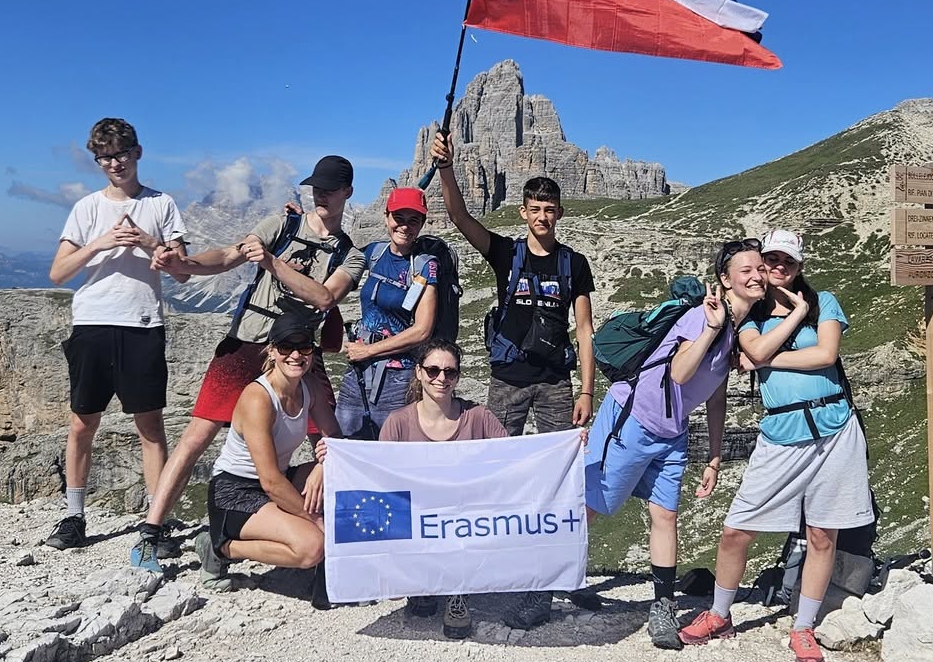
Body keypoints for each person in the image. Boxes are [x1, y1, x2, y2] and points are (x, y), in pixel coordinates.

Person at [131, 155, 366, 571]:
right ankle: (151, 531)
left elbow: (326, 297)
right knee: (197, 435)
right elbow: (226, 256)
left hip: (295, 353)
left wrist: (272, 264)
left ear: (348, 192)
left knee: (327, 439)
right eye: (316, 187)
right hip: (245, 345)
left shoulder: (351, 255)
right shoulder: (281, 225)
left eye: (330, 188)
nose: (321, 194)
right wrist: (182, 265)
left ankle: (328, 533)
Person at [679, 228, 877, 662]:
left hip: (834, 427)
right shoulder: (753, 315)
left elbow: (826, 354)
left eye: (787, 261)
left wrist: (767, 357)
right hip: (782, 431)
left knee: (823, 534)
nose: (778, 268)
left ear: (800, 264)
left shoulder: (825, 300)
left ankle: (803, 627)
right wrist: (793, 317)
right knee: (737, 529)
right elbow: (751, 349)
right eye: (770, 261)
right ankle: (719, 613)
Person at [431, 131, 598, 627]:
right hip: (506, 380)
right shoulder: (505, 253)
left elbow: (585, 330)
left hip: (555, 385)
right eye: (535, 208)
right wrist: (445, 168)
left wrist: (586, 390)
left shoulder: (575, 264)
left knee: (555, 486)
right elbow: (461, 219)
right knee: (489, 474)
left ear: (560, 213)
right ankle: (478, 575)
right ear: (523, 211)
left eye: (551, 209)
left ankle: (542, 588)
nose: (543, 216)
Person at [582, 239, 762, 648]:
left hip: (672, 432)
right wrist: (712, 328)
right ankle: (545, 582)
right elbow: (680, 373)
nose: (755, 276)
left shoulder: (737, 329)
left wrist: (714, 456)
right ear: (725, 278)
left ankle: (662, 606)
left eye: (759, 269)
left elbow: (715, 395)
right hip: (631, 421)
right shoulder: (704, 318)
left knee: (665, 516)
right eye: (745, 270)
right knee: (591, 506)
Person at [42, 118, 191, 552]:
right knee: (82, 422)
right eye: (105, 157)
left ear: (138, 153)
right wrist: (100, 244)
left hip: (143, 323)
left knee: (150, 425)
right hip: (92, 321)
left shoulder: (162, 205)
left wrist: (146, 241)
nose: (115, 163)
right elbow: (58, 273)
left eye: (121, 153)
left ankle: (155, 521)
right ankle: (74, 517)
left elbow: (181, 272)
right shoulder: (87, 208)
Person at [158, 317, 340, 607]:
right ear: (271, 351)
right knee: (312, 547)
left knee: (336, 476)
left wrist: (322, 466)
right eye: (285, 347)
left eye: (304, 347)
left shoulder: (310, 388)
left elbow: (334, 440)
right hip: (235, 493)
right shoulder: (258, 398)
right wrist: (315, 521)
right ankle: (221, 548)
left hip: (275, 481)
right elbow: (269, 480)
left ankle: (332, 567)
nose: (295, 355)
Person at [377, 338, 507, 638]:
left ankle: (456, 592)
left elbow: (513, 457)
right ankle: (423, 583)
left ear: (458, 377)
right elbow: (379, 478)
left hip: (466, 519)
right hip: (418, 518)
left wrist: (562, 447)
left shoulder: (478, 416)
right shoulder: (397, 423)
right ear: (419, 373)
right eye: (433, 370)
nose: (442, 378)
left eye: (450, 372)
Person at [334, 187, 439, 441]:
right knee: (343, 441)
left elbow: (423, 330)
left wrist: (369, 351)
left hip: (399, 375)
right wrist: (296, 221)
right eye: (398, 218)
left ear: (422, 223)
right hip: (358, 369)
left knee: (391, 446)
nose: (405, 226)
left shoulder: (426, 266)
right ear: (386, 217)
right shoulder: (372, 253)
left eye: (413, 220)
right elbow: (332, 262)